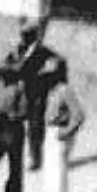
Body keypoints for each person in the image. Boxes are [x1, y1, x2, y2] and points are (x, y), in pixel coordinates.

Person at [0, 27, 34, 192]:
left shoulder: (20, 86)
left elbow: (25, 111)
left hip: (14, 131)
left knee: (15, 171)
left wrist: (11, 115)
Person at [41, 56, 86, 192]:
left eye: (50, 75)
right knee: (49, 171)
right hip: (51, 132)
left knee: (57, 173)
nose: (46, 78)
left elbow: (79, 115)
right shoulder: (52, 90)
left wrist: (66, 132)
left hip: (60, 132)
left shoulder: (65, 90)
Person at [18, 22, 58, 171]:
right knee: (25, 125)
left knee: (35, 125)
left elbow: (58, 63)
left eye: (27, 35)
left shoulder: (43, 51)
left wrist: (45, 73)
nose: (24, 38)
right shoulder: (21, 50)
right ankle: (31, 154)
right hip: (23, 92)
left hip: (38, 94)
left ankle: (36, 157)